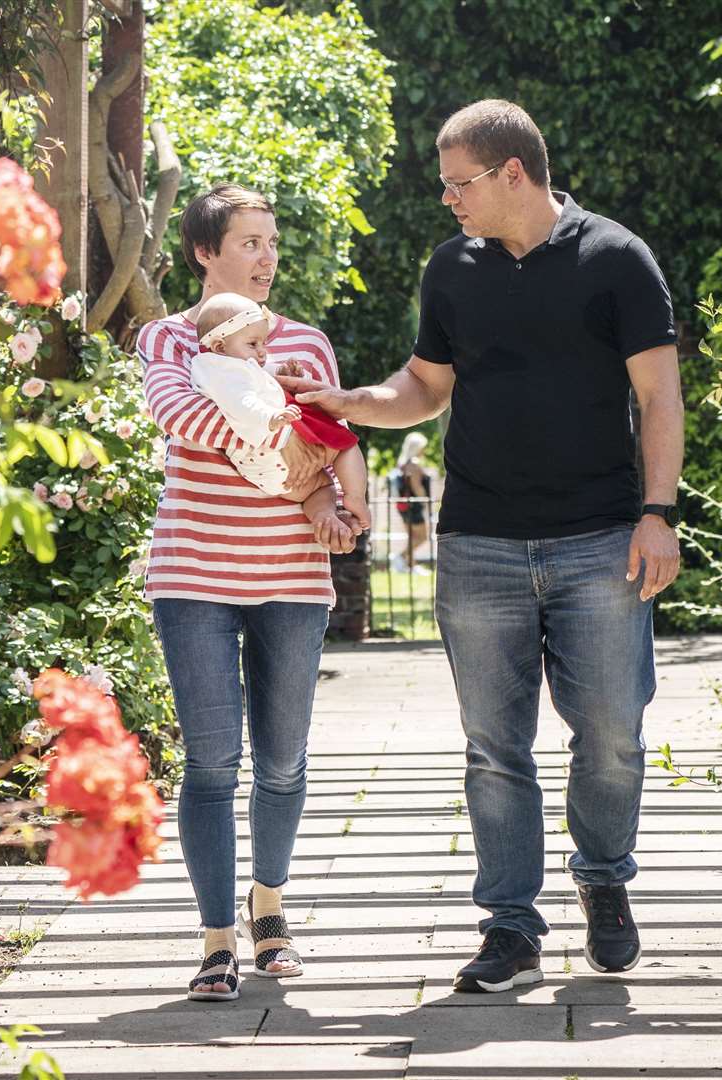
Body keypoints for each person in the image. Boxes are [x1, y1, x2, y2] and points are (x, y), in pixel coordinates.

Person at [278, 99, 685, 994]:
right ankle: (510, 927)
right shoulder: (451, 269)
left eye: (458, 184)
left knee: (611, 734)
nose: (448, 201)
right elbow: (424, 388)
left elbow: (659, 397)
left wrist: (660, 512)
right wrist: (350, 403)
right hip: (481, 544)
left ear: (512, 174)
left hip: (600, 541)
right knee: (493, 746)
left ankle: (605, 883)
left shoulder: (617, 259)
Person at [136, 183, 365, 1002]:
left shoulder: (306, 344)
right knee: (209, 763)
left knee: (281, 760)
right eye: (249, 243)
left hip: (292, 577)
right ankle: (215, 942)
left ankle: (270, 911)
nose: (267, 258)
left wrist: (337, 500)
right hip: (193, 573)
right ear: (206, 253)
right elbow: (179, 417)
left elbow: (336, 440)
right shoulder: (164, 337)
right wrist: (279, 431)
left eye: (271, 242)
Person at [189, 290, 370, 551]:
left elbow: (261, 373)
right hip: (269, 446)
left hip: (267, 473)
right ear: (219, 346)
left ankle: (325, 517)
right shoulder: (223, 371)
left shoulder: (232, 361)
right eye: (253, 344)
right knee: (344, 446)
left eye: (263, 343)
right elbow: (241, 403)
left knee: (319, 486)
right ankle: (355, 498)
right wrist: (272, 420)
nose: (262, 352)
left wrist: (284, 372)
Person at [390, 431, 432, 574]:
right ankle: (400, 558)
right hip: (414, 505)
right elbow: (417, 488)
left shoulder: (401, 464)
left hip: (404, 506)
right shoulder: (413, 464)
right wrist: (426, 501)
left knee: (412, 537)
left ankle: (411, 565)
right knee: (422, 537)